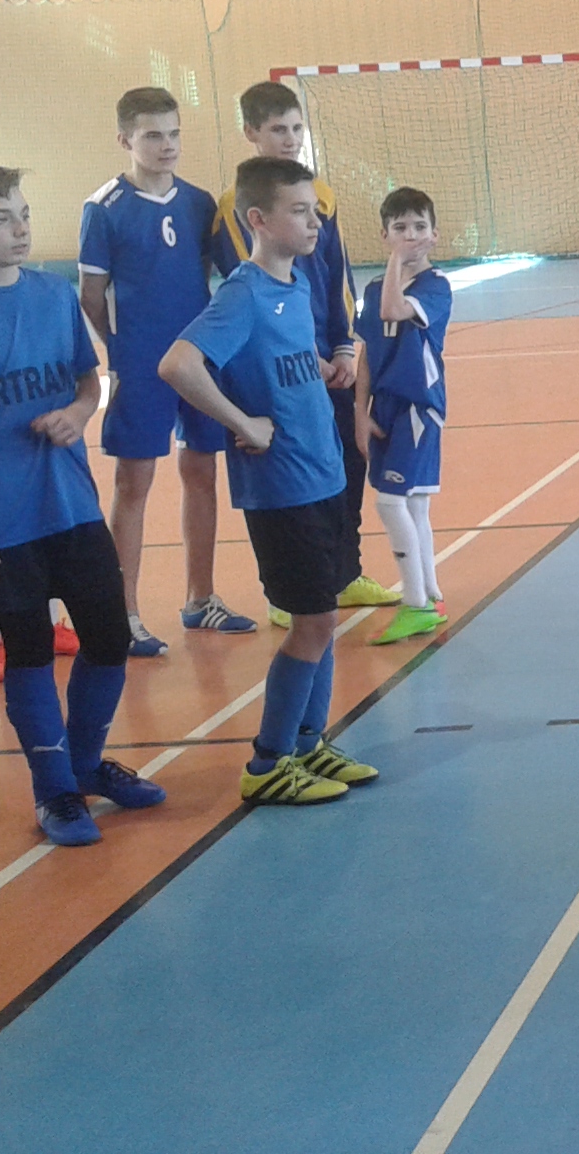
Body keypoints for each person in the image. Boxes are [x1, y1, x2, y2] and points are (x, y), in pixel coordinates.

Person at [0, 166, 166, 848]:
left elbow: (88, 382)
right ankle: (54, 791)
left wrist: (78, 413)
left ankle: (84, 766)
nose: (21, 228)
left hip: (71, 504)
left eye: (23, 213)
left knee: (108, 637)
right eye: (1, 218)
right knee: (27, 650)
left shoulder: (54, 295)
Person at [163, 157, 381, 806]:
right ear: (258, 219)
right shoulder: (243, 293)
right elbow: (179, 365)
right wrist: (242, 422)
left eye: (316, 211)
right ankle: (267, 763)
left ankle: (308, 743)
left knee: (325, 616)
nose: (314, 222)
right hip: (282, 488)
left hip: (323, 473)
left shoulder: (296, 282)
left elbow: (282, 354)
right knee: (311, 623)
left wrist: (320, 367)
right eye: (299, 211)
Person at [209, 81, 401, 624]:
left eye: (296, 128)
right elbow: (252, 287)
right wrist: (306, 354)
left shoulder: (322, 195)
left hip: (332, 361)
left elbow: (336, 274)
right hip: (284, 366)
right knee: (284, 476)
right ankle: (284, 595)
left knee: (344, 461)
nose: (290, 139)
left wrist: (343, 346)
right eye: (278, 130)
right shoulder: (235, 208)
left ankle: (345, 573)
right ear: (251, 133)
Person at [79, 87, 255, 655]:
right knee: (133, 484)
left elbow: (229, 278)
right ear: (125, 139)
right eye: (153, 135)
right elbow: (91, 295)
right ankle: (123, 614)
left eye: (174, 133)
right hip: (141, 365)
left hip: (198, 362)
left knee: (202, 473)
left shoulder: (201, 203)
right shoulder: (104, 208)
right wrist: (121, 351)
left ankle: (200, 598)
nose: (167, 145)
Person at [355, 187, 451, 646]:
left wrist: (397, 259)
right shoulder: (375, 288)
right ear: (384, 234)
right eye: (399, 228)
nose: (409, 236)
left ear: (434, 235)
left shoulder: (436, 287)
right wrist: (360, 409)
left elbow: (395, 310)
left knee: (390, 503)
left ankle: (414, 604)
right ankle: (430, 591)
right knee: (413, 504)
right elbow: (368, 352)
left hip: (417, 405)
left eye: (418, 227)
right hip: (385, 406)